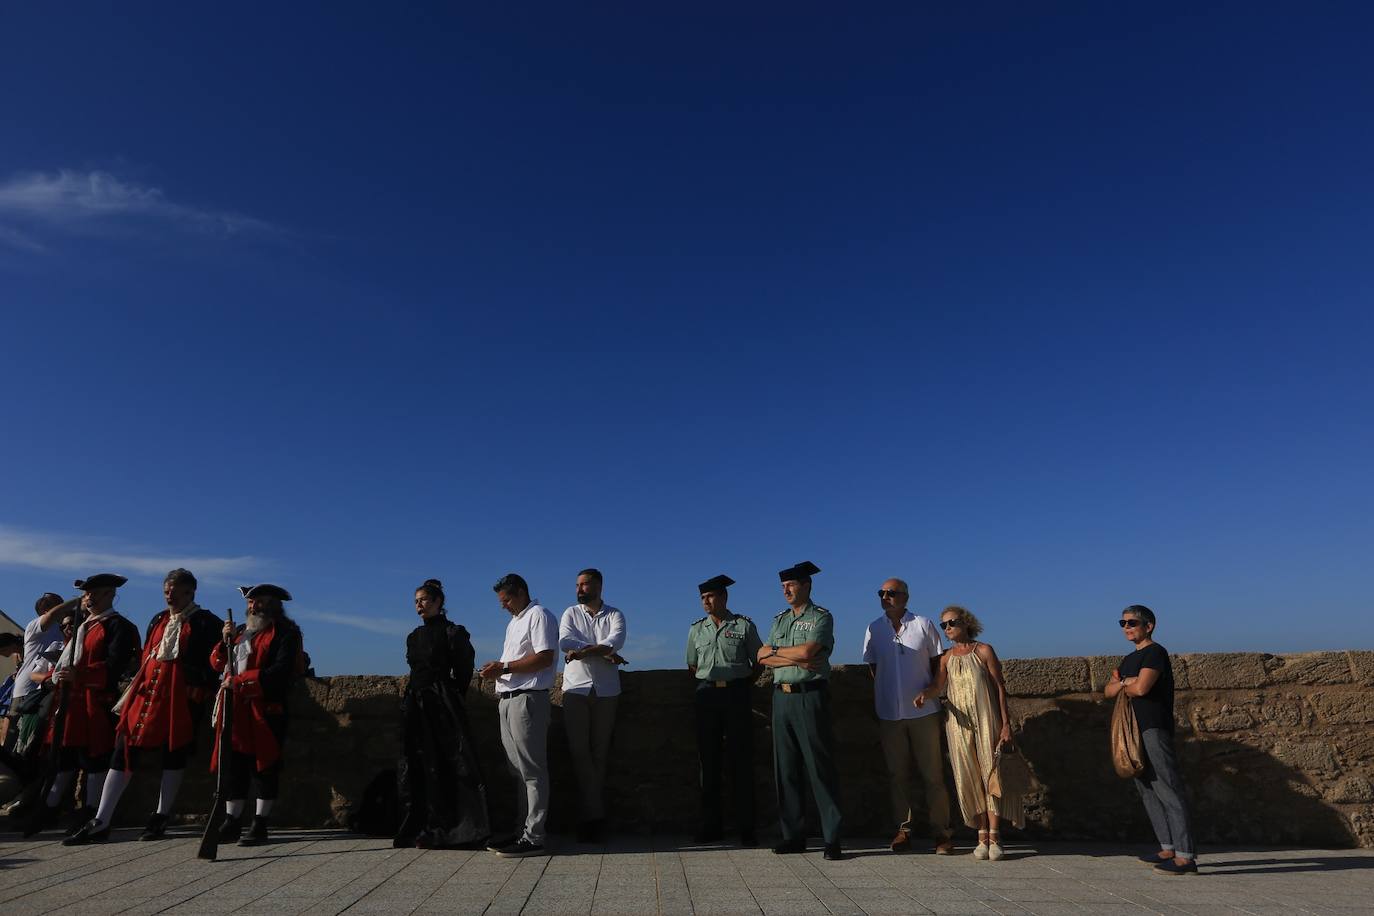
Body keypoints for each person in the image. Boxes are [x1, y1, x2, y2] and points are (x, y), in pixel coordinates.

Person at [64, 569, 223, 844]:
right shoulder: (158, 619)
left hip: (180, 699)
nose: (169, 596)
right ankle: (101, 819)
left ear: (190, 592)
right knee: (123, 751)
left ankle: (161, 816)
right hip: (146, 694)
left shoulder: (207, 623)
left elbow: (213, 664)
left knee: (174, 754)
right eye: (166, 591)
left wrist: (197, 686)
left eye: (174, 591)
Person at [25, 575, 140, 837]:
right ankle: (48, 808)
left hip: (94, 702)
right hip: (70, 702)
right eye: (87, 594)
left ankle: (90, 811)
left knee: (94, 758)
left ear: (110, 594)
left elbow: (115, 665)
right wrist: (57, 677)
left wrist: (82, 675)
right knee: (64, 757)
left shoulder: (118, 626)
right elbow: (66, 662)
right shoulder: (83, 625)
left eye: (94, 593)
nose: (88, 598)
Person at [916, 606, 1024, 860]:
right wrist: (924, 694)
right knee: (968, 776)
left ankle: (995, 836)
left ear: (966, 623)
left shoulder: (984, 651)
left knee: (991, 773)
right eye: (943, 625)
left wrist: (1006, 724)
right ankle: (981, 834)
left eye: (951, 623)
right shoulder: (946, 658)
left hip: (987, 719)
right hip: (958, 725)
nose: (947, 628)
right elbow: (937, 686)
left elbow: (999, 687)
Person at [394, 578, 490, 849]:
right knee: (417, 763)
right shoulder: (414, 636)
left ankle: (451, 828)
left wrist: (449, 695)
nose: (419, 605)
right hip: (416, 702)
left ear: (438, 602)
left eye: (424, 600)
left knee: (449, 762)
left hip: (441, 703)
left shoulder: (453, 633)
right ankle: (421, 825)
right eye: (416, 601)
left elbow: (463, 670)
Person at [758, 561, 843, 860]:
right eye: (783, 586)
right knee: (786, 770)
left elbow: (809, 652)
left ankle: (832, 838)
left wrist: (781, 654)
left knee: (819, 768)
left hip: (809, 696)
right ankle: (793, 835)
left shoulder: (821, 617)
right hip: (781, 698)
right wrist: (792, 657)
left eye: (791, 585)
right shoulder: (779, 620)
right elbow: (761, 656)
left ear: (806, 586)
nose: (786, 591)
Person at [862, 578, 952, 854]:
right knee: (897, 775)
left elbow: (938, 664)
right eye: (881, 593)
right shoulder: (874, 628)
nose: (885, 597)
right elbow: (873, 666)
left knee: (933, 774)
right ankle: (903, 830)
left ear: (905, 596)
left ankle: (941, 832)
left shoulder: (923, 624)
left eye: (891, 593)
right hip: (890, 712)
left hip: (924, 712)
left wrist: (929, 691)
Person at [209, 583, 304, 847]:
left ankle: (260, 823)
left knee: (264, 766)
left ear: (273, 604)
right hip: (235, 709)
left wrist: (241, 683)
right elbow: (217, 664)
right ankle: (232, 821)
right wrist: (224, 641)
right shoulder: (240, 632)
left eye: (259, 601)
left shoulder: (286, 633)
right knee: (234, 766)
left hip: (266, 708)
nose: (253, 606)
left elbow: (281, 671)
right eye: (251, 602)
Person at [1105, 604, 1196, 876]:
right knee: (1146, 788)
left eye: (1132, 622)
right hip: (1132, 730)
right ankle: (1167, 848)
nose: (1126, 627)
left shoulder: (1155, 653)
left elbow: (1142, 688)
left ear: (1149, 626)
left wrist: (1126, 684)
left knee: (1167, 787)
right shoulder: (1128, 660)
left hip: (1153, 727)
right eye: (1122, 623)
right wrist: (1126, 683)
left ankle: (1185, 857)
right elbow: (1109, 690)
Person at [479, 573, 558, 859]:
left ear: (521, 593)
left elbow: (545, 657)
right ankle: (522, 830)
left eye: (506, 600)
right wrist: (501, 669)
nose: (503, 606)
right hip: (509, 700)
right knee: (518, 770)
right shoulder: (515, 622)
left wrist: (504, 667)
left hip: (527, 700)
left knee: (532, 770)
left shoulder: (539, 615)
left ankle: (534, 836)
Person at [685, 574, 763, 846]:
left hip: (736, 695)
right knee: (708, 762)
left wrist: (741, 684)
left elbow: (759, 661)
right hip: (707, 697)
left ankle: (746, 828)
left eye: (710, 596)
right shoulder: (696, 629)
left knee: (741, 760)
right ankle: (711, 826)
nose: (706, 602)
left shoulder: (743, 626)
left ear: (724, 597)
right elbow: (692, 665)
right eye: (702, 598)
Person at [558, 568, 626, 843]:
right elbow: (565, 642)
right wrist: (602, 651)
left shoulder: (615, 614)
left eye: (585, 584)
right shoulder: (570, 613)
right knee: (579, 752)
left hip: (607, 691)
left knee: (600, 752)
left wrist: (583, 651)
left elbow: (615, 641)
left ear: (598, 586)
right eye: (578, 585)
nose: (579, 589)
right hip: (576, 689)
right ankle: (595, 814)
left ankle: (590, 818)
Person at [10, 594, 72, 757]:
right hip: (27, 690)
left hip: (47, 691)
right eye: (60, 605)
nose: (64, 608)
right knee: (16, 741)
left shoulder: (62, 630)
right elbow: (52, 615)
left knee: (34, 742)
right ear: (46, 611)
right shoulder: (35, 625)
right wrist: (79, 600)